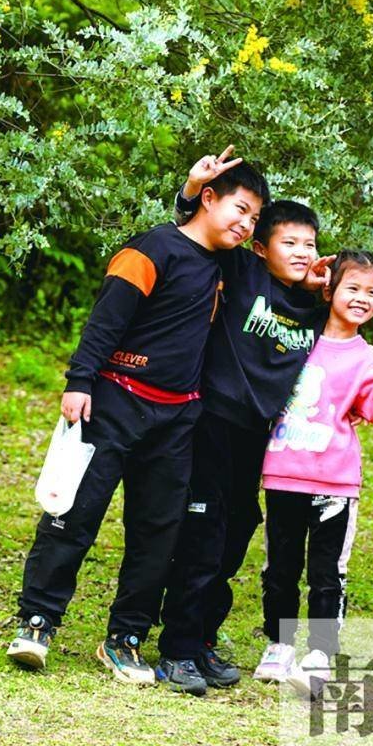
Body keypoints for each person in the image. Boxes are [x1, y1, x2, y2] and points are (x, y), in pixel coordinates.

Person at [7, 162, 269, 685]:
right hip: (112, 401)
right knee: (72, 517)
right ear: (210, 198)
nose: (246, 225)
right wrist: (80, 380)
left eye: (254, 219)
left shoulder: (230, 268)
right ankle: (36, 623)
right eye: (240, 209)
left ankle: (124, 639)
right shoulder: (150, 249)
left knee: (156, 533)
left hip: (178, 419)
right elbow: (106, 318)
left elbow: (276, 275)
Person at [155, 149, 329, 695]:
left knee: (237, 531)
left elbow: (360, 294)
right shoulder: (242, 269)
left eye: (310, 244)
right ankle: (178, 648)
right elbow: (197, 231)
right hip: (212, 421)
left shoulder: (317, 305)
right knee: (204, 529)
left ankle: (203, 636)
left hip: (260, 436)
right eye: (289, 242)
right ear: (261, 247)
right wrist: (190, 191)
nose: (302, 253)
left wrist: (332, 289)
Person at [255, 248, 373, 699]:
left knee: (327, 572)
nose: (362, 298)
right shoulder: (295, 340)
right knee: (279, 567)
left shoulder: (366, 358)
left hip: (334, 484)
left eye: (372, 292)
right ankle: (278, 645)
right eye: (353, 288)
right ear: (330, 290)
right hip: (283, 474)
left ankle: (320, 653)